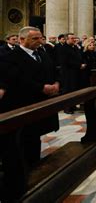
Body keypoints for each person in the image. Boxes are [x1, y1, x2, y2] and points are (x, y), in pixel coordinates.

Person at [0, 27, 60, 198]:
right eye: (35, 38)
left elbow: (53, 69)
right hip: (23, 103)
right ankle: (24, 174)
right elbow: (17, 78)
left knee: (35, 136)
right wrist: (41, 87)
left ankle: (35, 167)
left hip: (42, 102)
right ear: (22, 39)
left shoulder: (42, 53)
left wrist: (57, 82)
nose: (39, 41)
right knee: (21, 140)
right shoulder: (10, 57)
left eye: (40, 38)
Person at [61, 33, 86, 114]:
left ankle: (73, 105)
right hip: (68, 73)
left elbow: (79, 57)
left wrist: (82, 63)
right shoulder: (63, 48)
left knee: (74, 89)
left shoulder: (75, 47)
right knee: (68, 90)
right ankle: (67, 107)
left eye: (75, 38)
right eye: (72, 38)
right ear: (67, 39)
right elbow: (66, 61)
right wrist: (79, 65)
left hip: (76, 72)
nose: (74, 39)